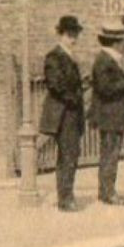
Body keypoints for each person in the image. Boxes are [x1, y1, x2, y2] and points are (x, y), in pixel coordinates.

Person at [39, 14, 85, 212]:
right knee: (67, 156)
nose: (73, 38)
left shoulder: (69, 56)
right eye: (69, 34)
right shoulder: (54, 56)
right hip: (63, 113)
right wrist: (74, 97)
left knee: (71, 154)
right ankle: (65, 199)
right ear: (61, 34)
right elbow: (55, 84)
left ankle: (67, 195)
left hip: (71, 112)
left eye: (75, 34)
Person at [87, 17, 124, 206]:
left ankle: (105, 191)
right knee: (110, 155)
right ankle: (108, 193)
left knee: (110, 154)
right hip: (110, 115)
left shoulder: (107, 59)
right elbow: (106, 88)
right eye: (123, 41)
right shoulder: (104, 61)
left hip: (111, 115)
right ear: (115, 42)